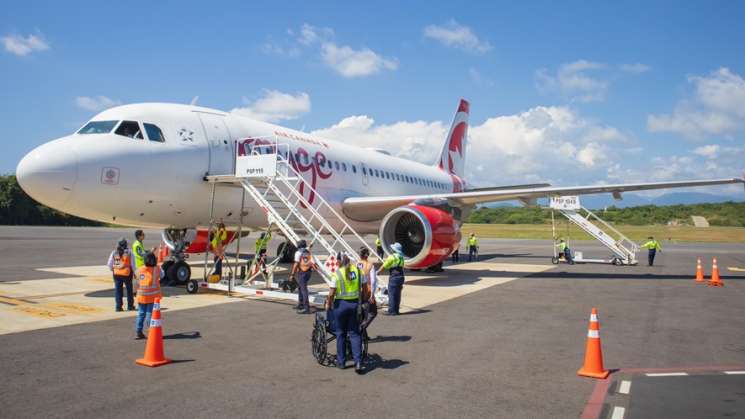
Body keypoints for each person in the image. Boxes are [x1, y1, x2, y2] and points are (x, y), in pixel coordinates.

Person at [325, 252, 368, 374]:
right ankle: (358, 361)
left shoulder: (337, 273)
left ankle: (341, 362)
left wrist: (329, 304)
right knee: (355, 333)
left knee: (340, 334)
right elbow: (365, 289)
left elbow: (332, 293)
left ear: (340, 261)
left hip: (341, 306)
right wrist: (363, 300)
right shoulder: (359, 271)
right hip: (355, 305)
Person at [135, 252, 163, 339]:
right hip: (152, 297)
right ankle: (151, 331)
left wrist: (134, 292)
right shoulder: (157, 269)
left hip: (141, 296)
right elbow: (162, 275)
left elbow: (135, 282)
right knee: (149, 314)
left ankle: (138, 331)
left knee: (141, 314)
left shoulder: (139, 270)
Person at [107, 238, 136, 312]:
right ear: (126, 244)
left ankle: (118, 307)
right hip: (127, 274)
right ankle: (130, 306)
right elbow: (133, 264)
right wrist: (134, 272)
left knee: (118, 290)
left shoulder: (114, 252)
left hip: (117, 274)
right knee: (129, 290)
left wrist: (113, 269)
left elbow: (109, 264)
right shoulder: (129, 252)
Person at [377, 242, 405, 316]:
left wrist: (378, 272)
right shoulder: (401, 257)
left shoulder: (392, 257)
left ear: (394, 250)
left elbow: (385, 266)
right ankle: (396, 310)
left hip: (394, 276)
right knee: (398, 294)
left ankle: (392, 311)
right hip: (401, 276)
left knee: (391, 293)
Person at [290, 240, 316, 314]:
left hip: (302, 272)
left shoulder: (298, 253)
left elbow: (296, 264)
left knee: (303, 289)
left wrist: (292, 274)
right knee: (300, 287)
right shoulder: (307, 251)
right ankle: (301, 304)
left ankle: (306, 308)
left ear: (299, 246)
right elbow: (309, 247)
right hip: (308, 271)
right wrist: (311, 244)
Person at [358, 247, 377, 330]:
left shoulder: (356, 264)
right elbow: (373, 281)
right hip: (367, 291)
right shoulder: (370, 265)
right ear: (367, 255)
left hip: (358, 291)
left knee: (361, 312)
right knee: (372, 312)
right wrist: (372, 295)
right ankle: (361, 329)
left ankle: (363, 334)